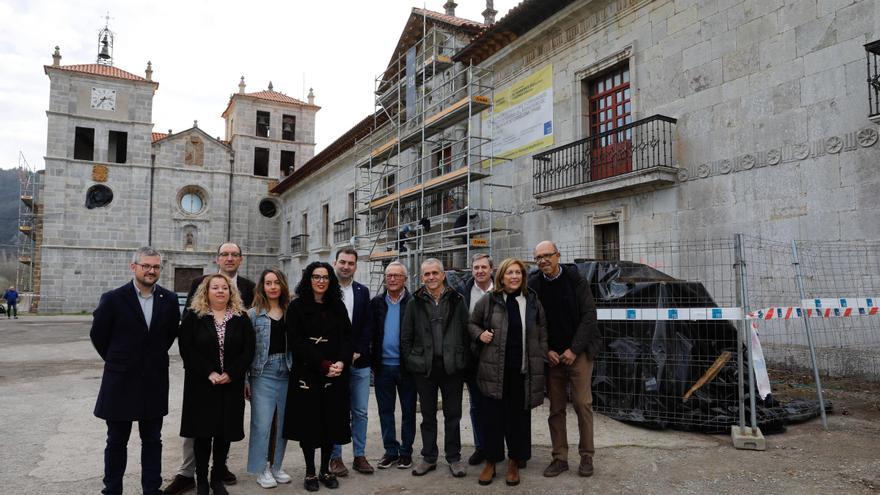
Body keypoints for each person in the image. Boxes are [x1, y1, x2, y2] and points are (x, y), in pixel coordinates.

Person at [164, 242, 256, 494]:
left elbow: (249, 348)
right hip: (202, 381)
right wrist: (208, 371)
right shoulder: (196, 311)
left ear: (240, 258)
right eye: (224, 254)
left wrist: (235, 373)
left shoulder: (244, 305)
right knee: (200, 432)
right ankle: (194, 476)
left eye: (234, 254)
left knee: (223, 431)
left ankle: (218, 475)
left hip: (231, 381)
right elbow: (186, 343)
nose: (220, 290)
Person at [90, 247, 181, 495]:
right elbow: (99, 336)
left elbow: (169, 334)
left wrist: (150, 358)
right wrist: (120, 361)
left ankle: (151, 489)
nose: (151, 271)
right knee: (116, 441)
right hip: (120, 382)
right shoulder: (113, 298)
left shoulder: (169, 300)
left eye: (156, 267)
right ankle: (112, 490)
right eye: (146, 266)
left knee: (152, 440)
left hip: (154, 382)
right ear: (134, 267)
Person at [469, 258, 547, 486]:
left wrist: (540, 355)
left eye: (518, 273)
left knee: (518, 419)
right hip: (494, 371)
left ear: (523, 276)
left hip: (522, 372)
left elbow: (542, 331)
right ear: (501, 277)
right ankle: (491, 462)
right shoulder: (490, 300)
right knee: (492, 418)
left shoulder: (531, 301)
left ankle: (514, 462)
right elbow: (471, 324)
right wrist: (480, 335)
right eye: (509, 273)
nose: (514, 277)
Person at [528, 241, 601, 478]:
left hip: (577, 352)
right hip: (552, 357)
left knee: (582, 404)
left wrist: (574, 349)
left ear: (558, 255)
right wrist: (546, 350)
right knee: (556, 408)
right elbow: (533, 323)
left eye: (547, 255)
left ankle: (587, 456)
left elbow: (589, 316)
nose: (543, 261)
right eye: (538, 257)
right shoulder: (534, 284)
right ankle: (559, 458)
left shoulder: (575, 279)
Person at [283, 262, 353, 492]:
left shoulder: (337, 306)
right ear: (309, 279)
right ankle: (310, 471)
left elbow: (346, 338)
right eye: (316, 276)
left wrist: (341, 362)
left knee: (329, 423)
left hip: (335, 373)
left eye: (325, 277)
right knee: (309, 424)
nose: (321, 281)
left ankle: (325, 469)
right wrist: (323, 364)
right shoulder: (296, 307)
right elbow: (297, 342)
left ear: (330, 280)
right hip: (308, 372)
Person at [401, 258, 471, 478]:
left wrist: (462, 359)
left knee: (453, 415)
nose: (431, 277)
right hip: (425, 368)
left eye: (434, 273)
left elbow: (465, 331)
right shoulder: (415, 301)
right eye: (426, 274)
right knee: (428, 416)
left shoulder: (457, 299)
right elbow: (406, 337)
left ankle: (454, 457)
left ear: (443, 275)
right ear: (422, 277)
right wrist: (414, 361)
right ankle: (429, 457)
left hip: (452, 368)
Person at [246, 269, 293, 488]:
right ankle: (261, 468)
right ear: (262, 287)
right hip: (262, 372)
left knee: (283, 424)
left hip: (287, 370)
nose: (273, 287)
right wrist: (245, 380)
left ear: (283, 285)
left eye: (276, 283)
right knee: (262, 424)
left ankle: (276, 466)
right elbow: (246, 350)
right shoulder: (253, 314)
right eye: (268, 283)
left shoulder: (291, 312)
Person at [329, 248, 374, 476]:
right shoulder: (326, 290)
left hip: (359, 362)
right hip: (335, 364)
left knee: (360, 411)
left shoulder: (362, 291)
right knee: (337, 409)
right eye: (343, 262)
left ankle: (359, 455)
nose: (346, 266)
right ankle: (335, 457)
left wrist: (358, 351)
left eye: (351, 263)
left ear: (356, 266)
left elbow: (367, 324)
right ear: (335, 263)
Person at [370, 261, 417, 470]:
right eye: (389, 275)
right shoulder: (377, 303)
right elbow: (370, 332)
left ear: (405, 279)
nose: (392, 279)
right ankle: (391, 450)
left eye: (397, 275)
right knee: (385, 411)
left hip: (407, 368)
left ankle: (406, 452)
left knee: (408, 411)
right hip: (383, 367)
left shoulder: (415, 302)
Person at [459, 254, 493, 466]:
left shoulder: (501, 290)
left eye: (483, 267)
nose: (479, 271)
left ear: (491, 269)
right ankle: (481, 447)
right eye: (476, 267)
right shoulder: (465, 292)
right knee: (476, 405)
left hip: (497, 357)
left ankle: (499, 447)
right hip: (473, 357)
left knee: (498, 405)